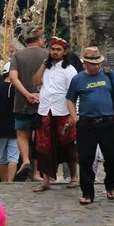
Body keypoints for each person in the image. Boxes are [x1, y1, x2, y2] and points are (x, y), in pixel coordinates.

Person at [66, 46, 114, 205]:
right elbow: (70, 100)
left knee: (113, 157)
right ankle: (87, 192)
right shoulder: (78, 79)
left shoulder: (109, 75)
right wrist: (76, 119)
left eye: (98, 62)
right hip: (86, 124)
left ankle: (110, 185)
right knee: (85, 159)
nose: (96, 66)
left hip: (108, 122)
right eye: (92, 63)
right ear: (85, 63)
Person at [32, 36, 79, 192]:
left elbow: (74, 94)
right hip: (45, 111)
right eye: (52, 49)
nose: (55, 52)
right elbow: (36, 81)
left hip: (63, 112)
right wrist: (44, 64)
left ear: (64, 52)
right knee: (43, 147)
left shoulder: (69, 70)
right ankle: (45, 180)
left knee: (67, 145)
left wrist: (74, 116)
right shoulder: (45, 68)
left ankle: (74, 177)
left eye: (58, 50)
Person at [9, 26, 46, 180]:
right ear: (39, 39)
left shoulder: (18, 56)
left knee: (22, 134)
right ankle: (37, 173)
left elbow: (13, 78)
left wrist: (27, 94)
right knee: (39, 136)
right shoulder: (47, 55)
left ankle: (25, 160)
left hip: (22, 103)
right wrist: (39, 94)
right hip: (43, 103)